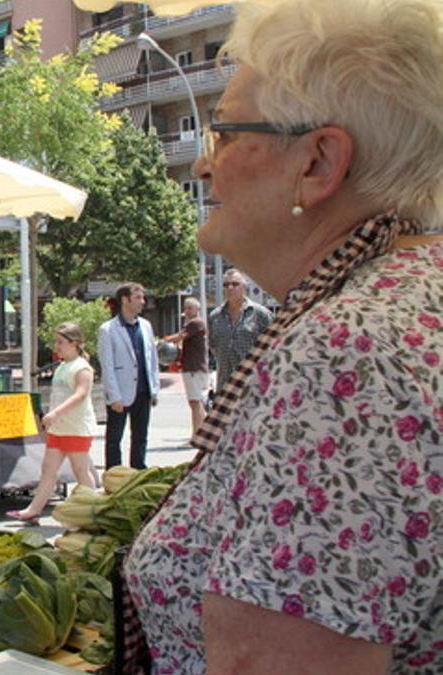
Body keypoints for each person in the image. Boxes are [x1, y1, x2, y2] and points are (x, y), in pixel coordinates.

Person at [125, 0, 443, 672]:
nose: (203, 168)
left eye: (225, 134)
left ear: (319, 163)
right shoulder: (412, 295)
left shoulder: (348, 352)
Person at [6, 322, 98, 522]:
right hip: (60, 428)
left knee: (80, 470)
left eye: (60, 342)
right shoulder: (64, 365)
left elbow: (81, 394)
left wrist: (55, 413)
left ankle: (96, 510)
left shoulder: (82, 367)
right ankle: (33, 510)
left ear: (74, 343)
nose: (57, 346)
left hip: (75, 427)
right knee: (48, 469)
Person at [97, 283, 160, 470]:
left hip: (143, 390)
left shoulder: (146, 326)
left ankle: (138, 471)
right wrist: (114, 396)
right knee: (115, 437)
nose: (143, 302)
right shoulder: (108, 329)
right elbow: (107, 366)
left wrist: (154, 389)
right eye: (138, 297)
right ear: (125, 300)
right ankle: (114, 473)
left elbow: (152, 360)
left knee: (140, 436)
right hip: (120, 393)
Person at [207, 268, 273, 392]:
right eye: (226, 285)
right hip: (225, 386)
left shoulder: (261, 314)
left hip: (254, 386)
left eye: (235, 284)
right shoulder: (215, 316)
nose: (230, 288)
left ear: (244, 287)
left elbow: (274, 348)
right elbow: (213, 346)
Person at [164, 297, 210, 436]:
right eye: (186, 308)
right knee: (197, 403)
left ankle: (197, 434)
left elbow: (178, 337)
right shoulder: (197, 323)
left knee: (195, 403)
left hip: (193, 369)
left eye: (190, 308)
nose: (187, 310)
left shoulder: (195, 323)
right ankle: (201, 433)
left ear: (198, 309)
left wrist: (161, 341)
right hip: (196, 368)